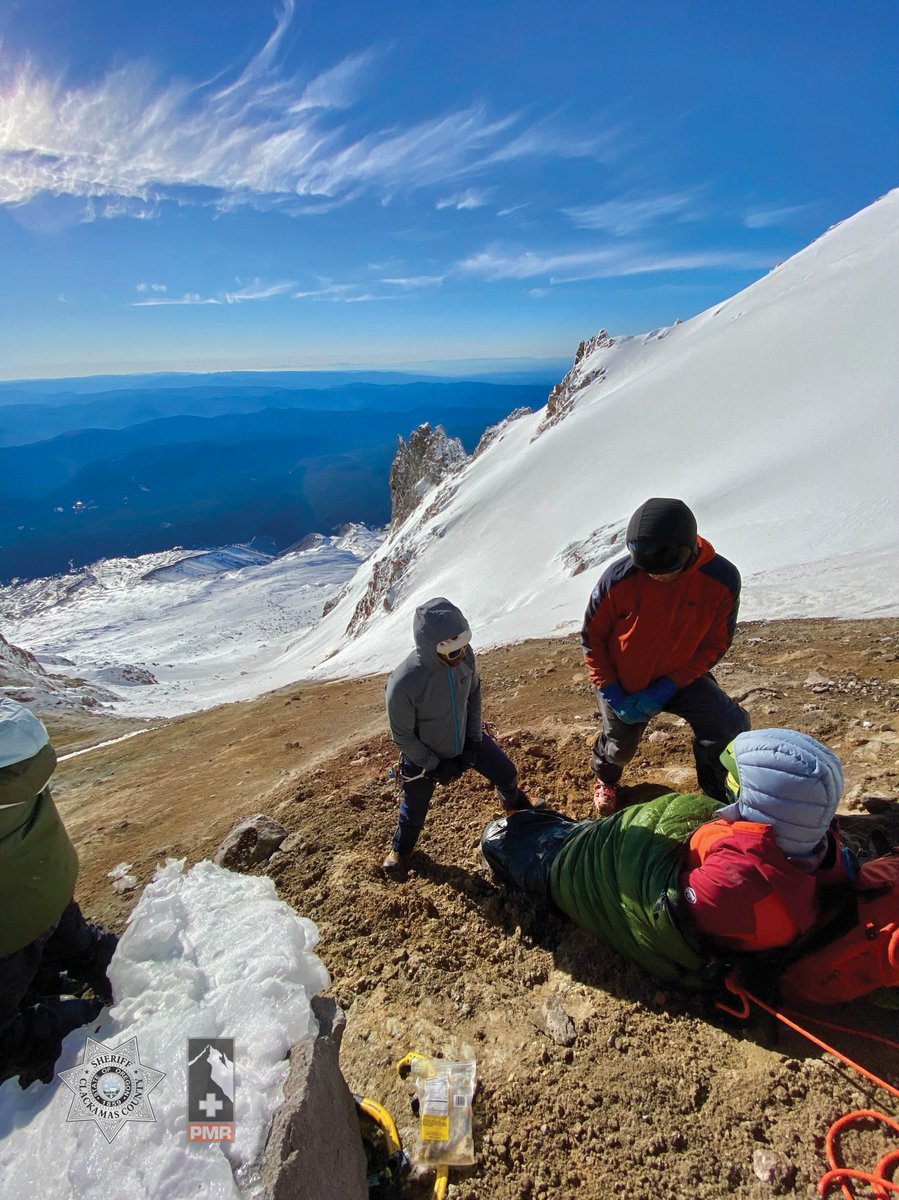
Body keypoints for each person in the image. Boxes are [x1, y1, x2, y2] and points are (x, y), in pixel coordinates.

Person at [480, 728, 851, 987]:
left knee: (497, 838)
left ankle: (546, 839)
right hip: (604, 848)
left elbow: (652, 903)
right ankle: (557, 830)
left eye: (737, 789)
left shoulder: (735, 884)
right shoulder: (808, 849)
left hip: (586, 875)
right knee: (554, 829)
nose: (726, 796)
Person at [582, 496, 750, 816]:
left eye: (665, 568)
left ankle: (715, 789)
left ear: (687, 552)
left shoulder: (721, 580)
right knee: (620, 748)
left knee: (728, 723)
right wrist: (611, 691)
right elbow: (593, 639)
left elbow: (716, 643)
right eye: (645, 567)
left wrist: (671, 684)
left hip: (682, 675)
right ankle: (606, 778)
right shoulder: (619, 579)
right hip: (625, 679)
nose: (655, 576)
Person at [0, 698, 118, 1088]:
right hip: (48, 883)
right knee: (79, 947)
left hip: (8, 928)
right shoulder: (20, 732)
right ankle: (131, 979)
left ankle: (77, 1023)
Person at [383, 597, 531, 873]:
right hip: (424, 755)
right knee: (414, 809)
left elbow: (474, 692)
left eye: (464, 648)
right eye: (453, 653)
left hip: (465, 739)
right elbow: (402, 736)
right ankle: (401, 850)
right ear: (430, 649)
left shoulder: (465, 656)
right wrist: (436, 765)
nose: (462, 657)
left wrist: (474, 740)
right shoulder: (404, 684)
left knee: (507, 774)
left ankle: (515, 808)